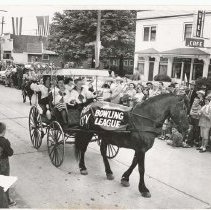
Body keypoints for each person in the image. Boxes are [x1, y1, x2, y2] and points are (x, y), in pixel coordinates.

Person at [0, 122, 15, 207]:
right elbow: (10, 153)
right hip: (3, 164)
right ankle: (7, 200)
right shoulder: (5, 141)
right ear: (4, 131)